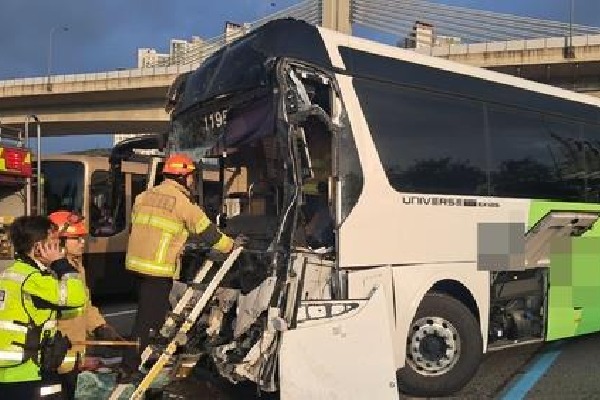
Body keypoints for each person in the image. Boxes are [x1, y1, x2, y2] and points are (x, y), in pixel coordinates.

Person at [121, 153, 242, 379]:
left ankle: (138, 360)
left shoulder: (144, 196)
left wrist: (178, 244)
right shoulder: (183, 203)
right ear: (184, 177)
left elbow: (153, 230)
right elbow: (208, 232)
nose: (193, 182)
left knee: (146, 316)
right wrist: (231, 246)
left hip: (136, 265)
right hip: (157, 269)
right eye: (192, 177)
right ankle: (129, 369)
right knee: (149, 322)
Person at [0, 215, 87, 399]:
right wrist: (60, 264)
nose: (59, 249)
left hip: (9, 374)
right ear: (39, 247)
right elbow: (76, 297)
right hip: (28, 372)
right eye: (54, 243)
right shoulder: (34, 280)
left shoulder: (11, 274)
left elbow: (64, 310)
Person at [48, 210, 122, 400]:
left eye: (82, 238)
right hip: (57, 354)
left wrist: (100, 326)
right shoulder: (50, 272)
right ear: (59, 241)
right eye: (76, 238)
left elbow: (84, 304)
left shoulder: (76, 266)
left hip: (73, 352)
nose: (83, 242)